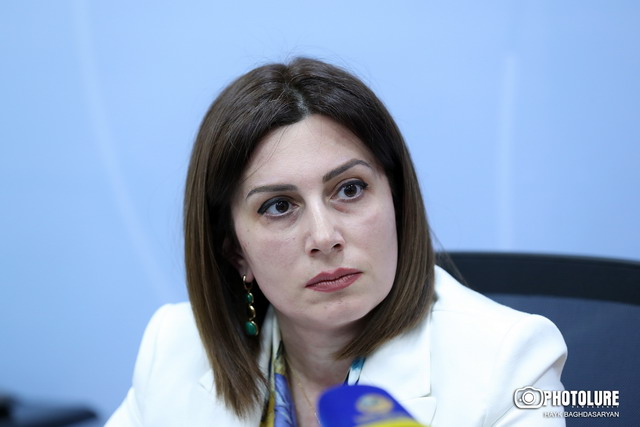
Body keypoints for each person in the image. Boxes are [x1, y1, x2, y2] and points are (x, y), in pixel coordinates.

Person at [106, 58, 567, 426]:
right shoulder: (175, 347)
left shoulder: (507, 360)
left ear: (397, 202)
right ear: (235, 250)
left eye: (349, 189)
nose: (324, 237)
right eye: (279, 206)